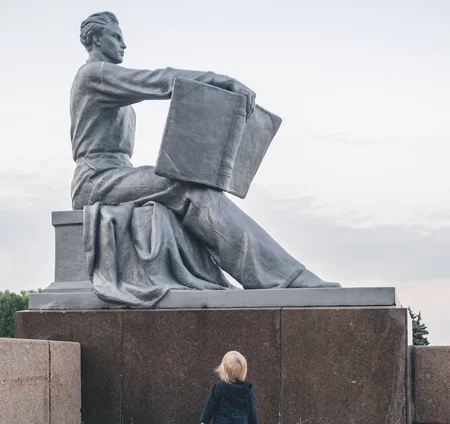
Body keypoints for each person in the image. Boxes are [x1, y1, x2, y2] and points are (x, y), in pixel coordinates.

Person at [71, 11, 340, 295]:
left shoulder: (106, 79)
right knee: (185, 186)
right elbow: (160, 80)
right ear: (96, 40)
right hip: (96, 179)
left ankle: (276, 273)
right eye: (116, 37)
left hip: (116, 174)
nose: (124, 45)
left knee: (189, 180)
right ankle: (282, 278)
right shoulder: (94, 74)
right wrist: (218, 81)